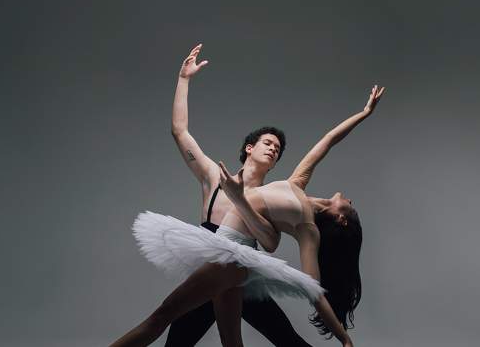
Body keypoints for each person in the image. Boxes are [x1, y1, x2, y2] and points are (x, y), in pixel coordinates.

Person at [109, 44, 385, 346]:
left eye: (278, 149)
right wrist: (184, 80)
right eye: (268, 143)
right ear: (249, 148)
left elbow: (272, 243)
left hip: (242, 266)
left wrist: (241, 199)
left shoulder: (277, 196)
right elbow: (180, 131)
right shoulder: (215, 177)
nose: (274, 148)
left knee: (285, 338)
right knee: (182, 341)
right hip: (213, 261)